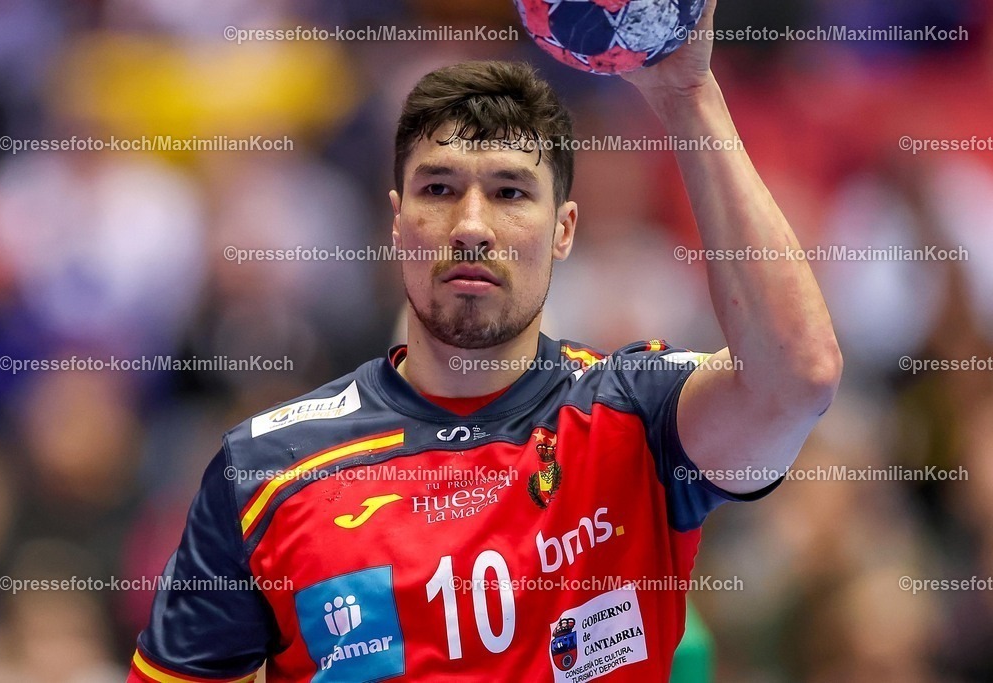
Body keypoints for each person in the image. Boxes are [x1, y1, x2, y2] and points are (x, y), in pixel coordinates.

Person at [127, 2, 842, 681]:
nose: (472, 223)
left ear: (563, 229)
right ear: (397, 224)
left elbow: (796, 376)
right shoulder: (265, 470)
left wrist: (691, 95)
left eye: (509, 192)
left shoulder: (636, 417)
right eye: (439, 189)